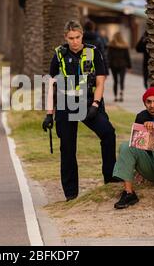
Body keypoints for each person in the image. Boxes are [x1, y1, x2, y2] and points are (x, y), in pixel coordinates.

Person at [42, 20, 118, 202]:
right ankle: (71, 194)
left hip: (88, 102)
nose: (75, 41)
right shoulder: (59, 54)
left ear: (82, 35)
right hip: (65, 104)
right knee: (67, 148)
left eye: (77, 37)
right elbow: (51, 86)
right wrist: (49, 114)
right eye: (71, 38)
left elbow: (100, 82)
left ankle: (111, 179)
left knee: (108, 133)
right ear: (65, 38)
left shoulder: (93, 52)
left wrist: (95, 105)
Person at [108, 32, 131, 102]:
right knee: (122, 80)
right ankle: (121, 93)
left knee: (115, 81)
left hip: (113, 65)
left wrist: (108, 66)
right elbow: (127, 57)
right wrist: (129, 66)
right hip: (122, 65)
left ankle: (115, 96)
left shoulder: (111, 45)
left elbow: (109, 56)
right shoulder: (124, 45)